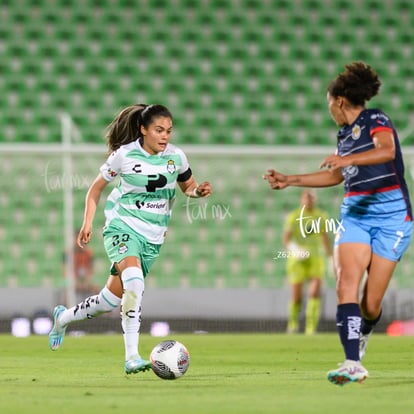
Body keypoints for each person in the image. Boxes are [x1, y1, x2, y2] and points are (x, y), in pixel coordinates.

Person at [264, 62, 412, 386]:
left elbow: (386, 151)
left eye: (328, 103)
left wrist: (347, 159)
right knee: (346, 282)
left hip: (392, 219)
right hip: (355, 215)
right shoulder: (343, 136)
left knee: (371, 305)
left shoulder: (377, 119)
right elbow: (334, 174)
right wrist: (291, 179)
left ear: (339, 101)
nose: (329, 110)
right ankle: (352, 363)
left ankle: (365, 330)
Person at [48, 104, 212, 375]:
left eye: (169, 131)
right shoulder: (123, 156)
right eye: (159, 130)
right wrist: (88, 222)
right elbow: (94, 190)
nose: (165, 136)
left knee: (109, 300)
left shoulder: (176, 157)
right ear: (143, 129)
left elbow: (187, 187)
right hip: (121, 227)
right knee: (134, 281)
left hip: (153, 238)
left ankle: (62, 318)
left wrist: (198, 192)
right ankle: (132, 356)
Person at [283, 189, 332, 335]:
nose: (308, 200)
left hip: (315, 256)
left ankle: (311, 327)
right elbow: (286, 239)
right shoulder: (294, 216)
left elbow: (324, 238)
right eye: (306, 197)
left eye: (311, 197)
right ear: (301, 199)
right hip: (298, 257)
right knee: (297, 295)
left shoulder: (321, 216)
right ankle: (292, 323)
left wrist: (330, 257)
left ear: (315, 200)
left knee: (314, 292)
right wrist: (294, 249)